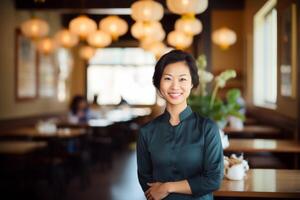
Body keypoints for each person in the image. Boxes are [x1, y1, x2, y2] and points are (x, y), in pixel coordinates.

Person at [137, 50, 223, 200]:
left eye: (182, 79)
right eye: (168, 78)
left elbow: (214, 179)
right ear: (158, 83)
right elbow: (146, 180)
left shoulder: (208, 128)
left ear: (192, 83)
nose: (175, 86)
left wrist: (167, 187)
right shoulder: (147, 131)